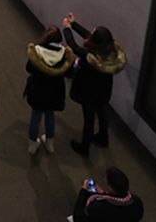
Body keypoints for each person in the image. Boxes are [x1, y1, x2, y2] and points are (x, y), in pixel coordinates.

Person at [63, 13, 128, 156]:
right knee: (102, 112)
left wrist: (67, 28)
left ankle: (84, 147)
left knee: (89, 118)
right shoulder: (111, 52)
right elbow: (89, 36)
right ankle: (103, 137)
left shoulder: (90, 58)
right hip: (103, 91)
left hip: (88, 92)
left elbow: (73, 46)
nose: (91, 31)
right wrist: (74, 24)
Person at [26, 26, 77, 155]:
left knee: (35, 116)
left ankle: (32, 144)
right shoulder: (64, 54)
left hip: (38, 89)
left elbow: (29, 68)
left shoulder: (37, 52)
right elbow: (70, 73)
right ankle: (49, 143)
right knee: (50, 115)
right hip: (55, 91)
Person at [71, 167, 144, 221]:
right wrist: (104, 194)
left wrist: (83, 192)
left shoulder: (99, 207)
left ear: (111, 188)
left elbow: (78, 217)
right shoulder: (137, 202)